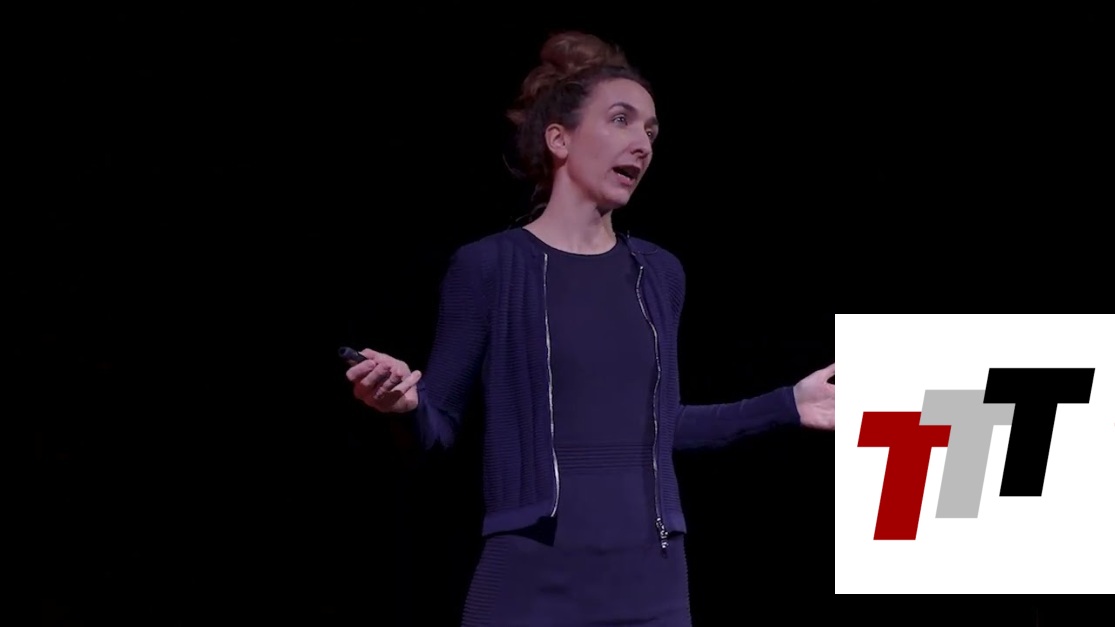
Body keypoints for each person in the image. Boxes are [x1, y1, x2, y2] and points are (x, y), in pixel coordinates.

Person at [344, 30, 835, 626]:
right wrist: (401, 405)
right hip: (530, 586)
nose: (642, 144)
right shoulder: (490, 268)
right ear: (559, 139)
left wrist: (788, 404)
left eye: (650, 131)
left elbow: (660, 426)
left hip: (652, 587)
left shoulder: (658, 273)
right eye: (621, 120)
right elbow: (438, 425)